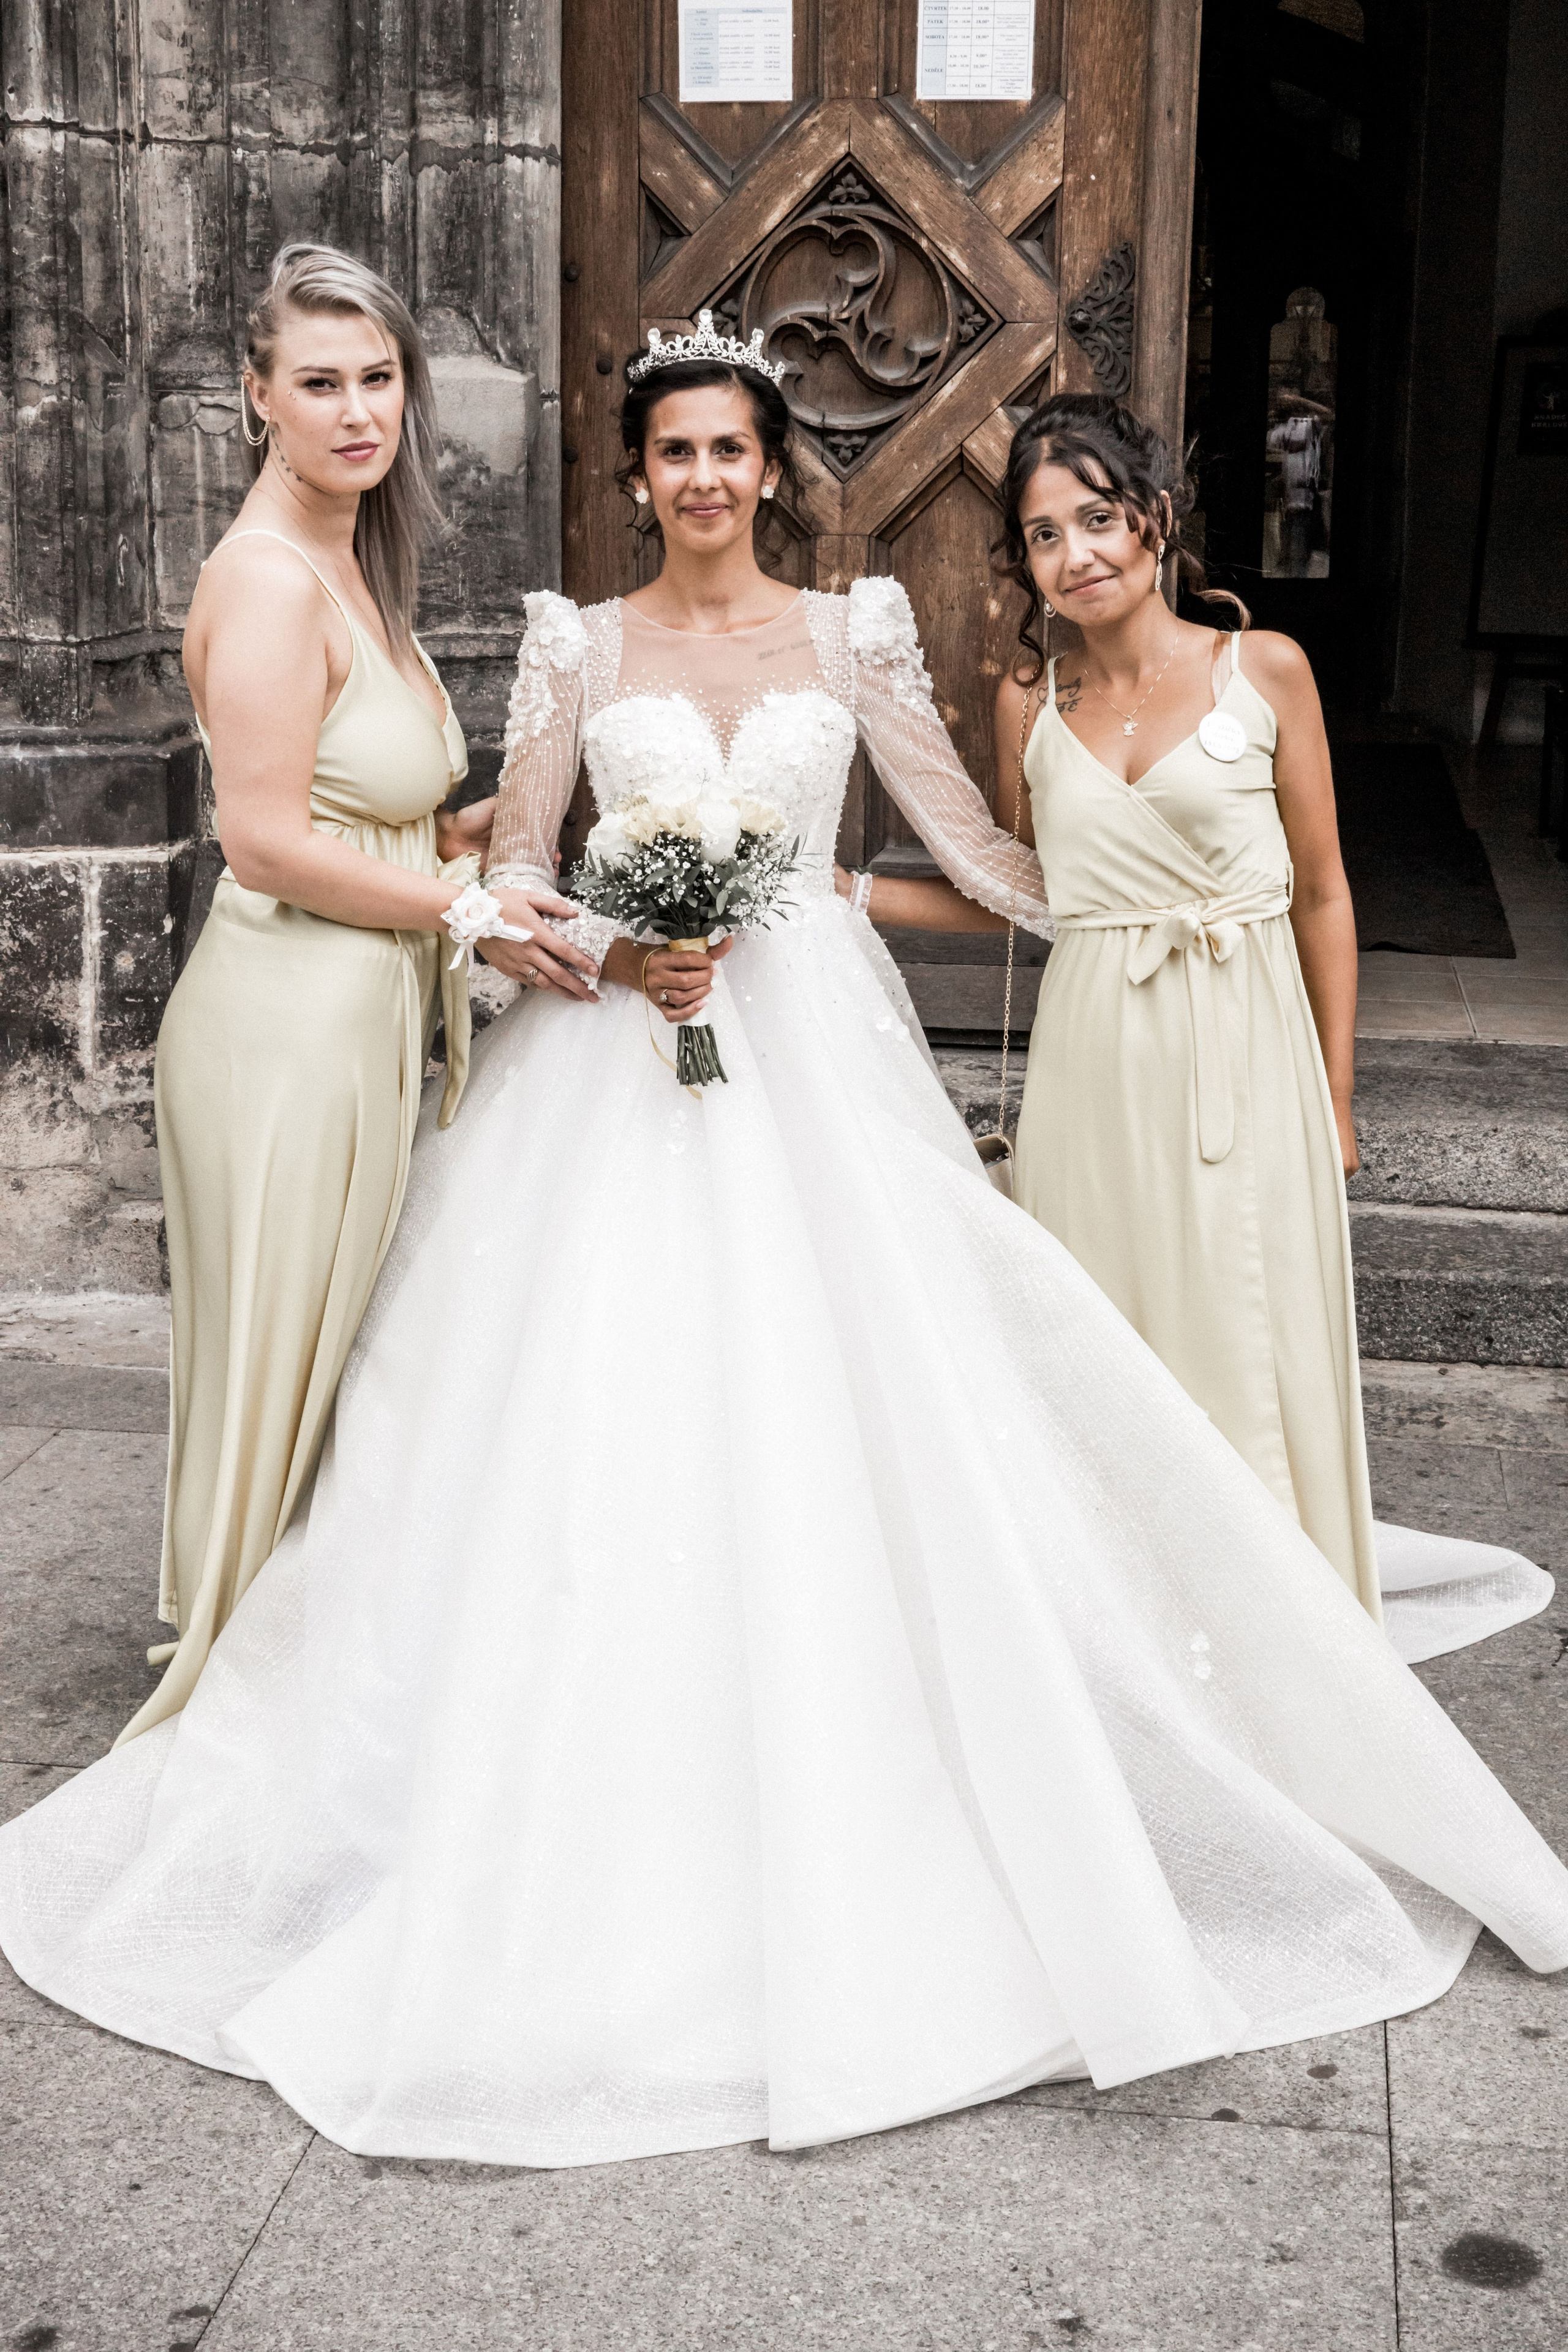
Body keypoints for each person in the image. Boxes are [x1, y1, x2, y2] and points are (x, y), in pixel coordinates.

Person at [2, 322, 1565, 2173]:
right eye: (674, 457)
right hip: (615, 1061)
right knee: (578, 1410)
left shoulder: (860, 638)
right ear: (641, 476)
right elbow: (534, 834)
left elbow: (980, 850)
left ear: (772, 465)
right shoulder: (581, 640)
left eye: (732, 452)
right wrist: (605, 931)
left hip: (821, 1059)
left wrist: (1144, 886)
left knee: (875, 1398)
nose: (706, 483)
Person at [995, 394, 1548, 1665]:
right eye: (1039, 535)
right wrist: (831, 889)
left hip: (1242, 1048)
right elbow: (1024, 885)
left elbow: (1324, 893)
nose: (1073, 554)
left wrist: (1336, 1096)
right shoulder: (1024, 699)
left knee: (1240, 1326)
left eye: (1094, 517)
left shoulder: (1267, 671)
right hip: (1088, 1063)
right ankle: (1124, 1634)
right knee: (1105, 1332)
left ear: (1156, 520)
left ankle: (1268, 1642)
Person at [128, 243, 593, 1746]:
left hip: (357, 1007)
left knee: (328, 1365)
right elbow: (260, 837)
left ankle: (289, 1654)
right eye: (317, 383)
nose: (354, 411)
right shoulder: (265, 580)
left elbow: (363, 810)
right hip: (286, 1030)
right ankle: (238, 1686)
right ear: (256, 396)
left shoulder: (349, 560)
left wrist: (500, 838)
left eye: (377, 379)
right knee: (285, 1359)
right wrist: (467, 909)